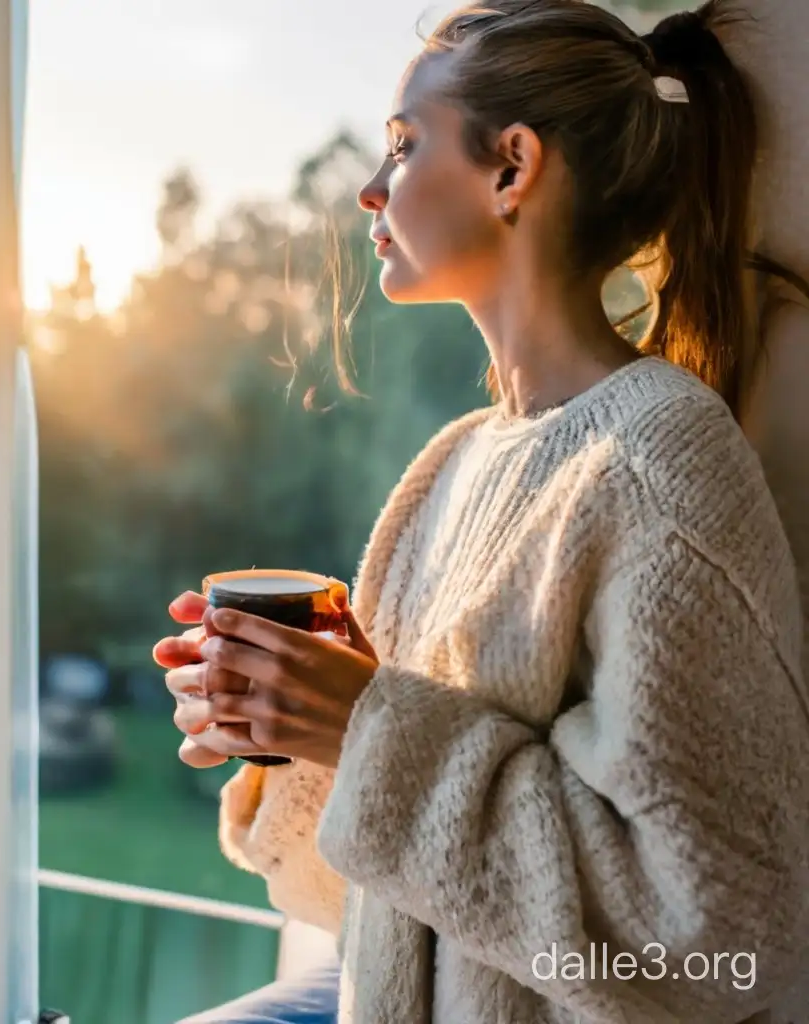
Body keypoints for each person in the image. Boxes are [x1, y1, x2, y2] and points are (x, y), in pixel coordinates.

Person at [153, 1, 809, 1021]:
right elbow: (383, 892)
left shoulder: (659, 468)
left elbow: (714, 941)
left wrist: (366, 725)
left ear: (511, 167)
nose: (370, 190)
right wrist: (292, 732)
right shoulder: (455, 462)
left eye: (405, 147)